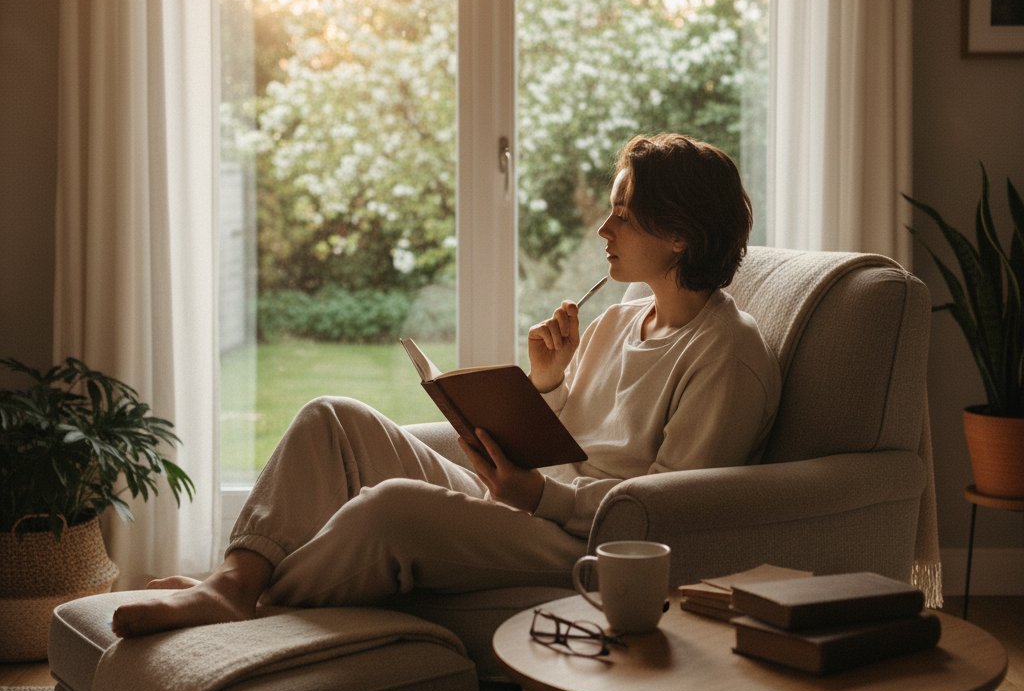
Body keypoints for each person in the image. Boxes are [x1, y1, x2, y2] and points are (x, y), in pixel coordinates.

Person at [112, 133, 781, 638]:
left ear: (679, 235)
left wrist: (540, 494)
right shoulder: (620, 322)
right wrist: (544, 386)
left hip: (583, 545)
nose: (603, 230)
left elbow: (671, 510)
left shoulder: (728, 355)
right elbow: (564, 443)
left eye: (624, 216)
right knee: (333, 418)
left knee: (394, 510)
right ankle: (234, 583)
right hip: (531, 507)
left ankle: (252, 604)